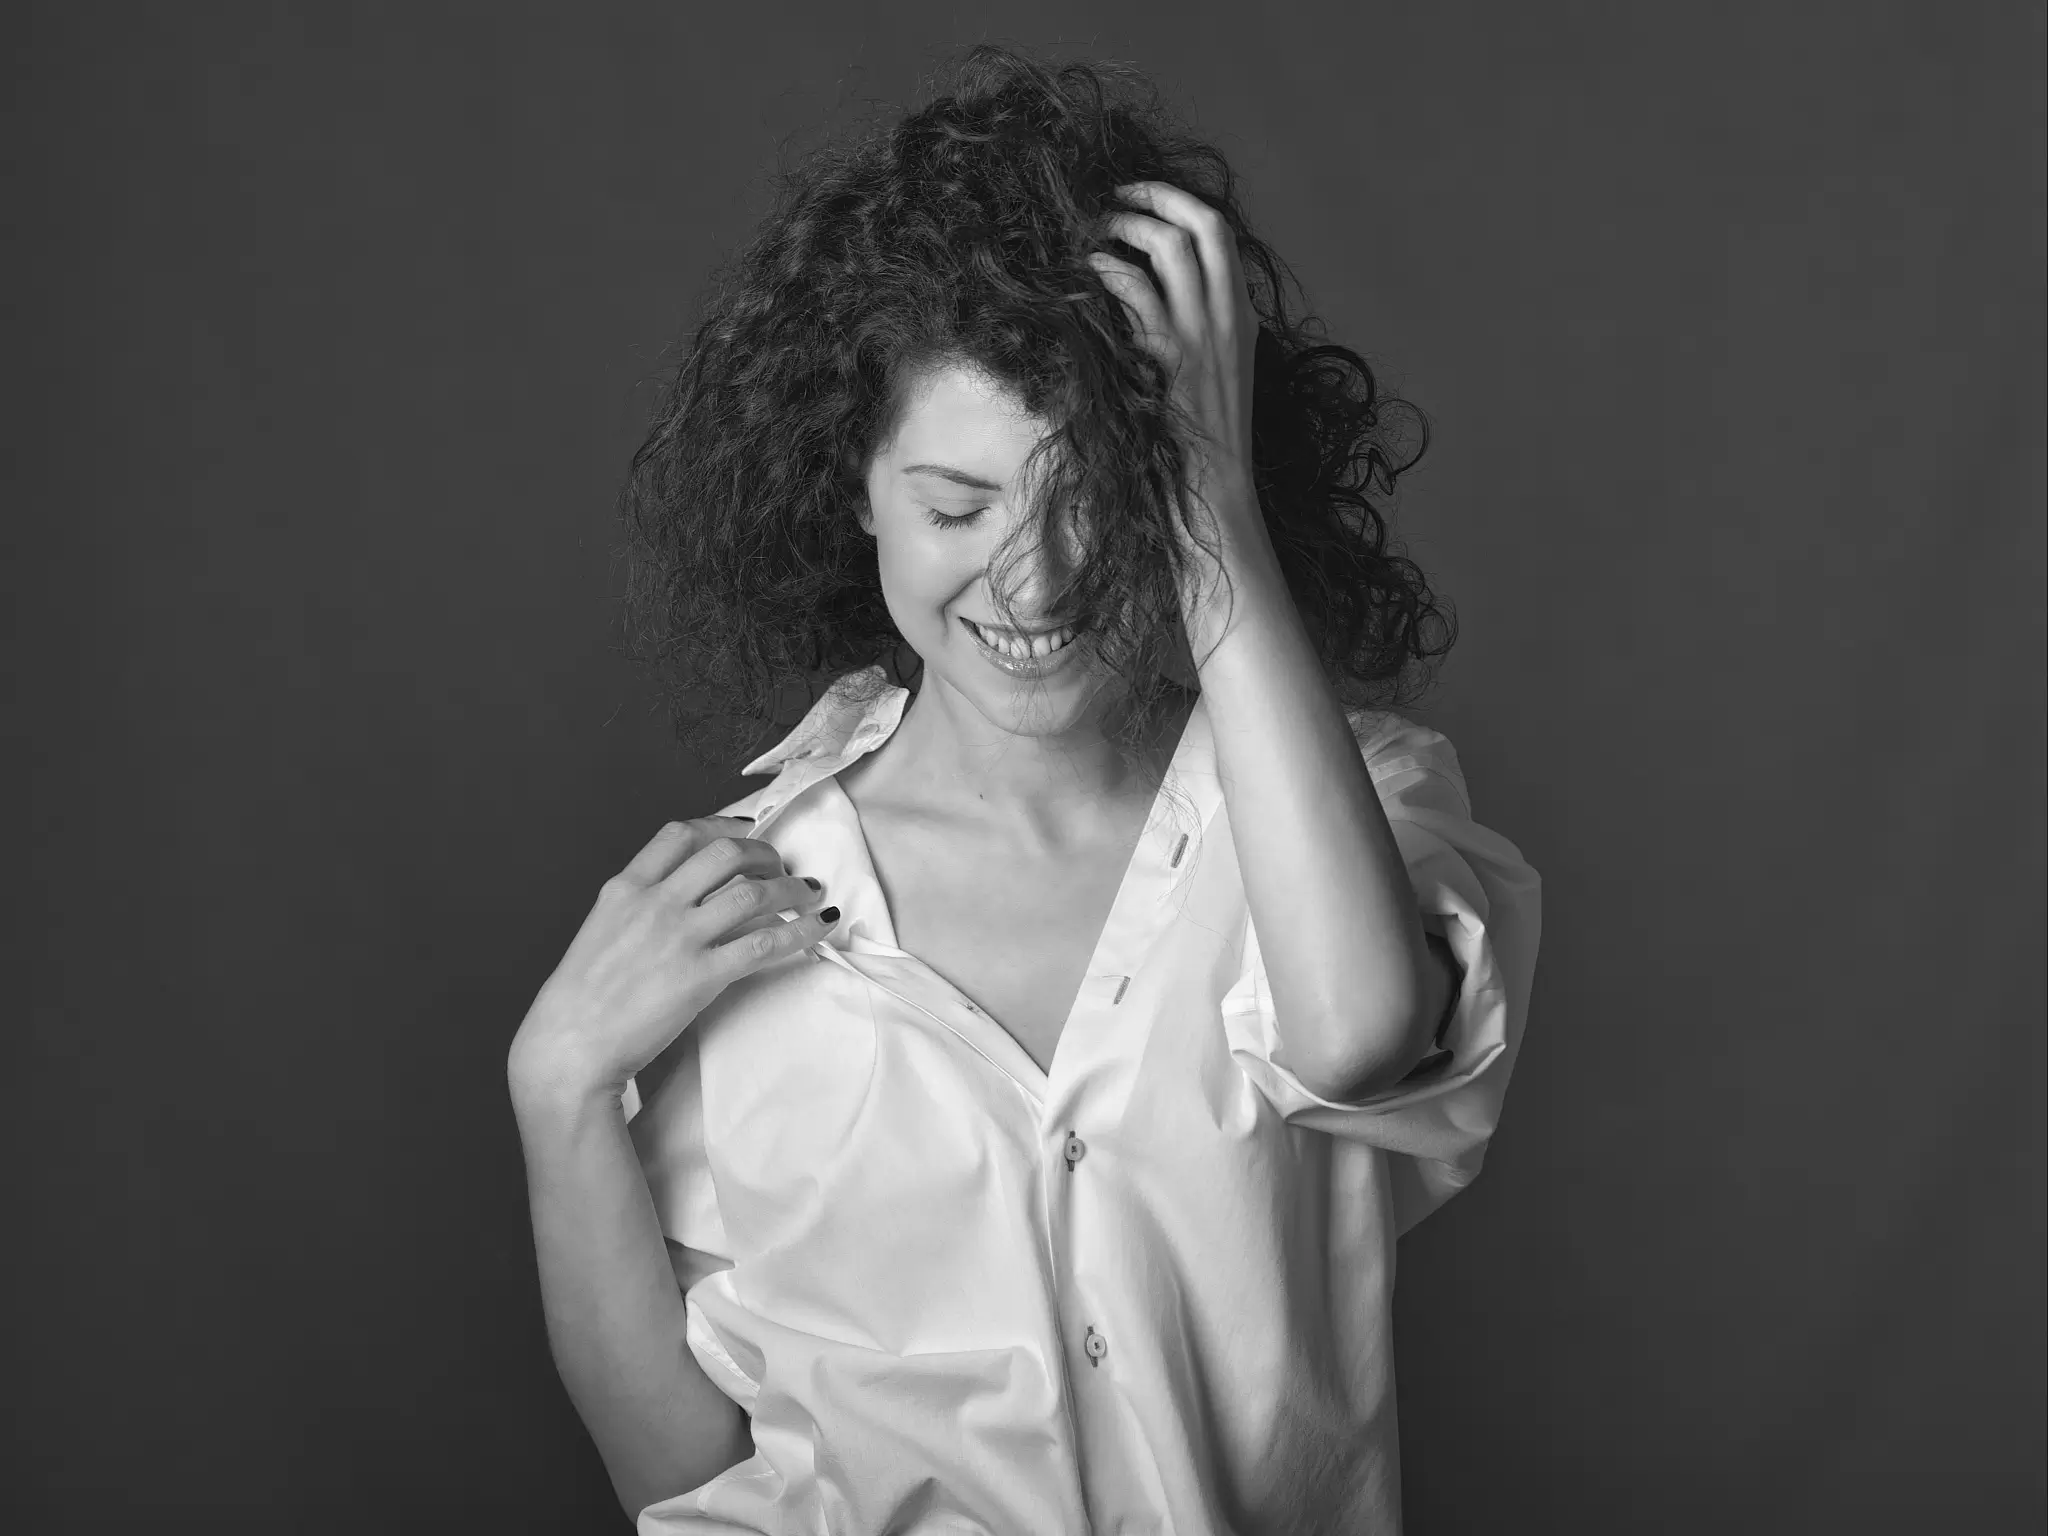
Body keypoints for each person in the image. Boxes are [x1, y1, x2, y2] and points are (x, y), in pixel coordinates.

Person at [508, 43, 1542, 1536]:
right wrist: (555, 1100)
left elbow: (1367, 1039)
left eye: (1104, 501)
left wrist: (1211, 490)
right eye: (957, 502)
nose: (1038, 579)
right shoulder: (727, 911)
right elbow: (686, 1479)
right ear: (851, 482)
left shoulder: (1343, 801)